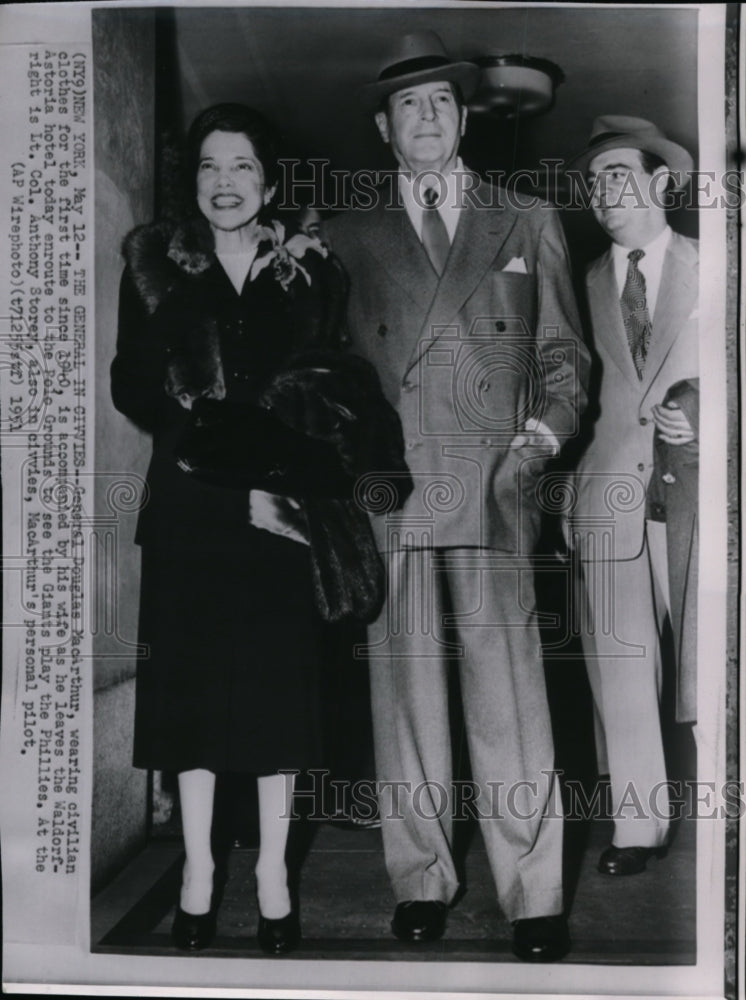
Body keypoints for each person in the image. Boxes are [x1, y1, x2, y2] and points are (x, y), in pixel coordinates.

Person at [326, 31, 590, 961]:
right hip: (390, 489)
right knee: (405, 696)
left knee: (510, 691)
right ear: (383, 128)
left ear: (465, 116)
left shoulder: (523, 217)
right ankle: (422, 878)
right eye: (408, 106)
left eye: (441, 101)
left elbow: (564, 354)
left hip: (494, 480)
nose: (427, 118)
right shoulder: (342, 236)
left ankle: (534, 892)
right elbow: (327, 374)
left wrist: (544, 436)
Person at [111, 103, 347, 955]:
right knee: (194, 701)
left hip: (277, 508)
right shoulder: (153, 263)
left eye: (242, 166)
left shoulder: (312, 274)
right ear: (194, 181)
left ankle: (275, 873)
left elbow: (329, 393)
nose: (225, 182)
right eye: (210, 166)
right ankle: (199, 872)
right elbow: (131, 387)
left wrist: (285, 465)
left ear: (270, 181)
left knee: (278, 696)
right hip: (189, 505)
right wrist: (203, 404)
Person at [569, 116, 698, 875]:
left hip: (696, 499)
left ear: (661, 181)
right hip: (608, 497)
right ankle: (636, 829)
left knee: (714, 667)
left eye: (618, 173)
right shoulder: (579, 281)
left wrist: (706, 409)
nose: (602, 191)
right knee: (620, 671)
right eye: (592, 180)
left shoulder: (717, 265)